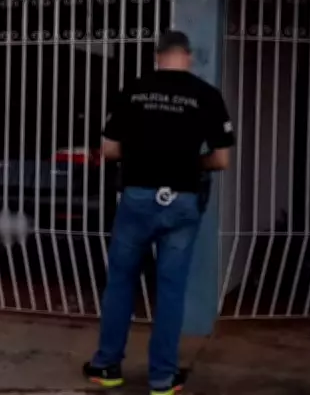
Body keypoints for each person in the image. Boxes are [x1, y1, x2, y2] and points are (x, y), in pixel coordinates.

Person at [83, 30, 234, 395]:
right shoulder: (207, 95)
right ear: (188, 56)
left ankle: (106, 366)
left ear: (157, 56)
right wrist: (190, 163)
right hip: (182, 201)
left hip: (137, 198)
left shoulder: (133, 91)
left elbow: (110, 151)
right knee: (170, 289)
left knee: (120, 282)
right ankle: (163, 379)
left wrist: (142, 155)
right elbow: (221, 160)